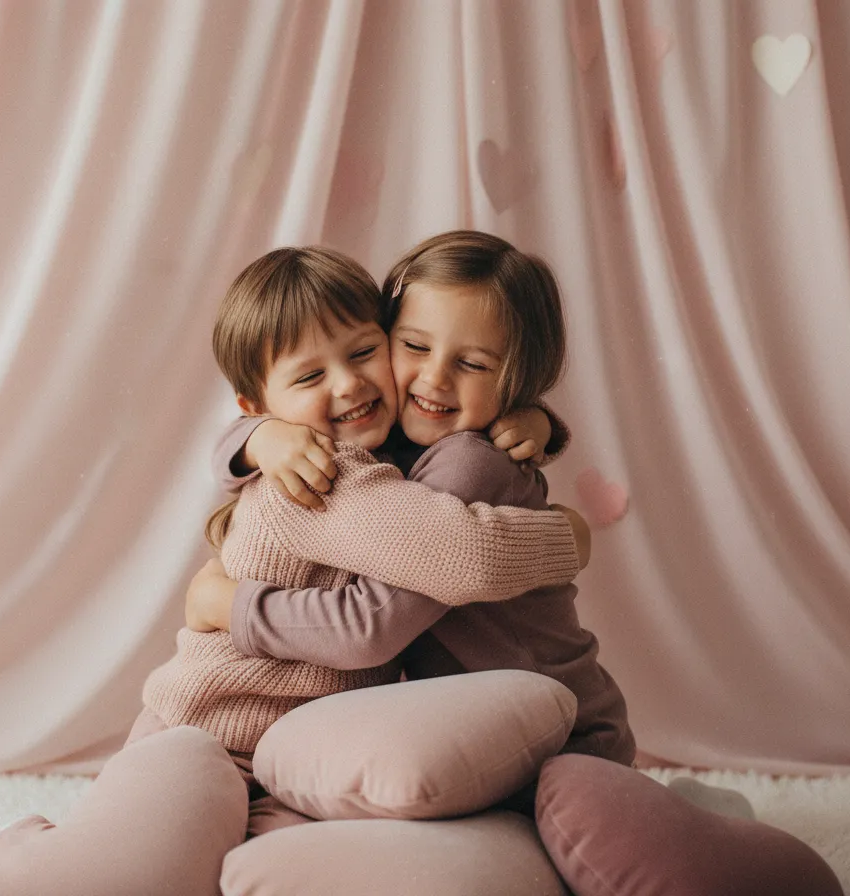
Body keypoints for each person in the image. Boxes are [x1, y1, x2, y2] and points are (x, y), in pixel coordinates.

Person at [0, 245, 587, 896]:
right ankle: (23, 855)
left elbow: (453, 446)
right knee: (142, 872)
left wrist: (536, 420)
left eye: (365, 352)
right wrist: (568, 537)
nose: (347, 385)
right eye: (311, 378)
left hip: (293, 759)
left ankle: (49, 840)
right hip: (208, 737)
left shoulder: (379, 456)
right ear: (260, 405)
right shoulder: (320, 474)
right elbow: (462, 557)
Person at [188, 231, 635, 772]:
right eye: (415, 347)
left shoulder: (466, 462)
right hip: (493, 730)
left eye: (472, 364)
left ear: (517, 382)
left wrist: (229, 606)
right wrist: (257, 437)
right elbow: (254, 429)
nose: (433, 378)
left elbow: (371, 624)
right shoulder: (384, 441)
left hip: (564, 738)